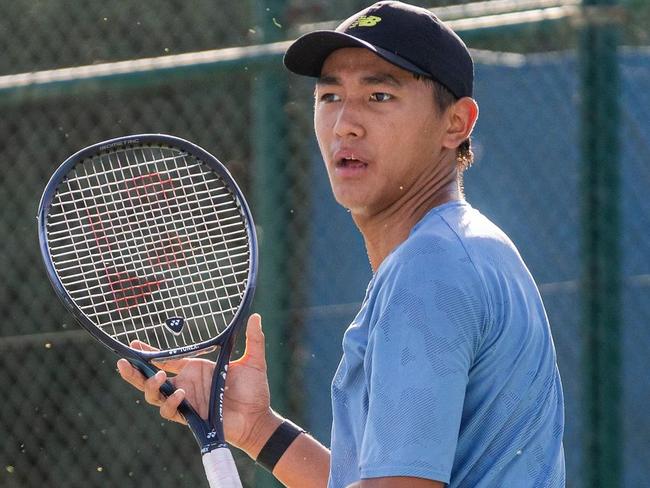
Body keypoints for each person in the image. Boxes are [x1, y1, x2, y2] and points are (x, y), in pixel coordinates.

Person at [117, 1, 565, 486]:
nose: (344, 123)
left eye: (379, 96)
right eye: (329, 97)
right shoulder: (465, 250)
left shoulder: (429, 268)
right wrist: (259, 429)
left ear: (456, 123)